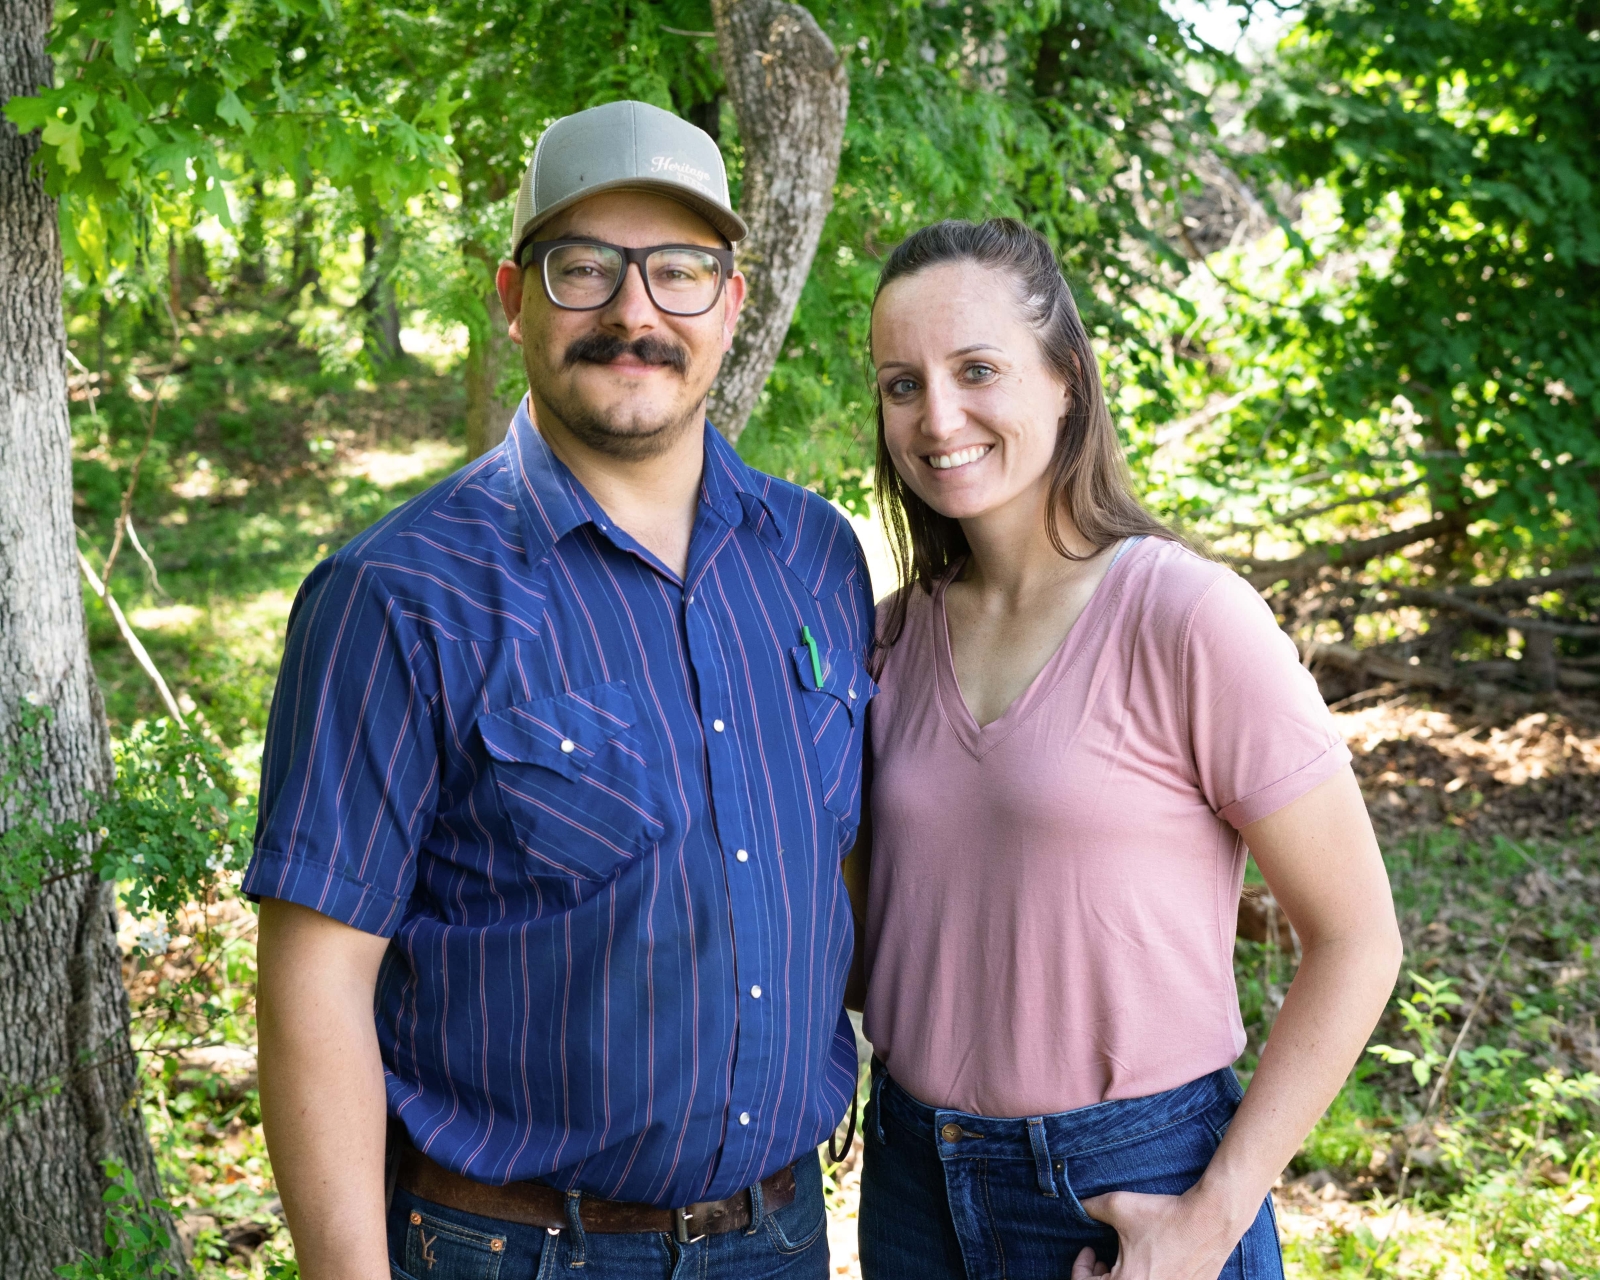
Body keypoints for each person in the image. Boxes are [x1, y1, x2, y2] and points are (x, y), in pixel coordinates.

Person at [249, 100, 876, 1280]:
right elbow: (315, 981)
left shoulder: (815, 558)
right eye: (584, 268)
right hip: (516, 1248)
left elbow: (848, 872)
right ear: (512, 295)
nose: (634, 312)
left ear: (732, 304)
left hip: (783, 1235)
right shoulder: (397, 594)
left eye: (679, 272)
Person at [845, 218, 1403, 1280]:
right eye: (900, 383)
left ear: (1064, 379)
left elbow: (1357, 937)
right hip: (912, 1176)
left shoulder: (1184, 615)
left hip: (1128, 1187)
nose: (936, 414)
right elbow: (884, 947)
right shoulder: (888, 636)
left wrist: (1210, 1217)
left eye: (975, 370)